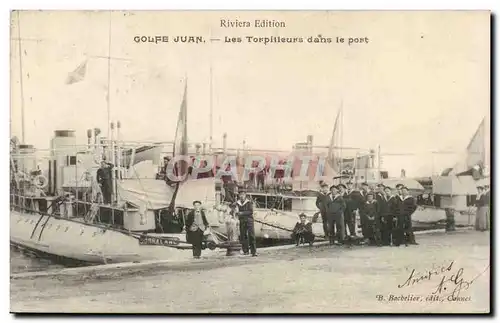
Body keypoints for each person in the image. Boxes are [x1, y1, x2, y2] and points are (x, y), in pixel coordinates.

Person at [234, 190, 257, 256]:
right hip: (242, 221)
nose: (241, 196)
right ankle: (245, 251)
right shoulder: (237, 203)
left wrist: (241, 213)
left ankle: (254, 252)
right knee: (243, 236)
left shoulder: (249, 203)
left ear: (245, 195)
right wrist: (234, 209)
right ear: (239, 195)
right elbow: (232, 209)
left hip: (249, 220)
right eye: (240, 194)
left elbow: (250, 211)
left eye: (243, 194)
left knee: (251, 235)